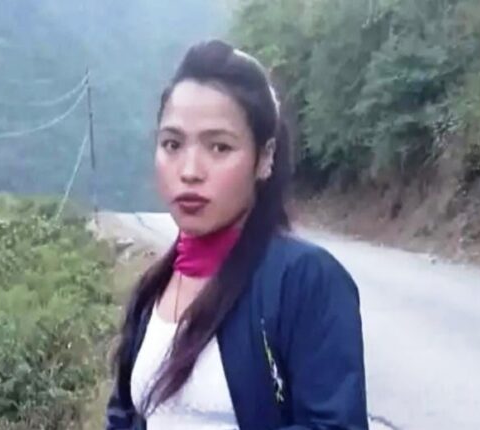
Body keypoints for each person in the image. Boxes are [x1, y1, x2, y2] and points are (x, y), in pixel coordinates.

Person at [105, 39, 368, 430]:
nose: (190, 171)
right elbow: (122, 417)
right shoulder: (152, 292)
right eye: (172, 144)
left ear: (265, 158)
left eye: (219, 147)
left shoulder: (304, 281)